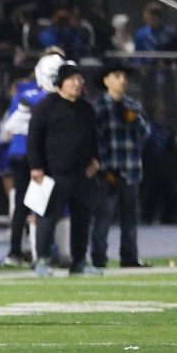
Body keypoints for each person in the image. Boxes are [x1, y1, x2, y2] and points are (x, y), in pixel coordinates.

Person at [28, 64, 102, 276]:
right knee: (48, 218)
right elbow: (34, 138)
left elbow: (93, 137)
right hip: (53, 174)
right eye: (72, 80)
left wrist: (96, 160)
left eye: (80, 80)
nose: (77, 84)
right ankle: (42, 260)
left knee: (82, 219)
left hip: (81, 174)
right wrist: (36, 166)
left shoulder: (86, 108)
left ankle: (79, 261)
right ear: (61, 82)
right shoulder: (46, 106)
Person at [0, 52, 63, 266]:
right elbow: (10, 125)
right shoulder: (34, 97)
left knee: (26, 205)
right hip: (31, 155)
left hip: (24, 152)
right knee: (36, 204)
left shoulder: (28, 94)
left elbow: (8, 126)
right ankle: (37, 252)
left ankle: (21, 251)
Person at [92, 62, 153, 268]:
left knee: (131, 219)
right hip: (109, 172)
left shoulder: (133, 106)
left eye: (124, 77)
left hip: (131, 170)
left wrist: (135, 120)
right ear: (106, 80)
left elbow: (146, 134)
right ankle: (99, 259)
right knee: (103, 218)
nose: (123, 80)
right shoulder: (98, 107)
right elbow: (94, 140)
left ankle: (129, 257)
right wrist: (102, 169)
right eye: (117, 76)